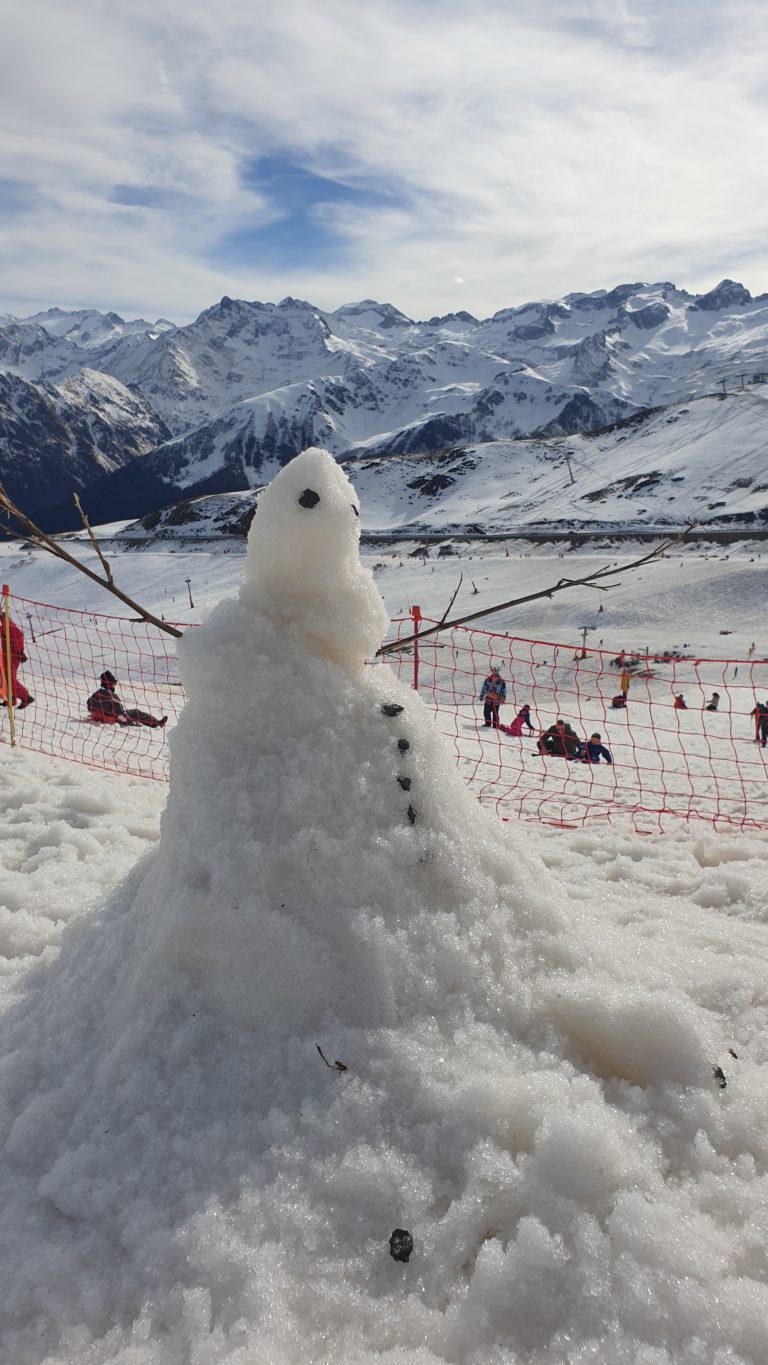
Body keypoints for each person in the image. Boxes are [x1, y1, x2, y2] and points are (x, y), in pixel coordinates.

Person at [87, 671, 167, 728]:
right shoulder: (112, 697)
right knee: (136, 712)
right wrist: (132, 723)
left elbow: (89, 705)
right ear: (110, 685)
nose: (115, 686)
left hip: (103, 716)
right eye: (114, 684)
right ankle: (157, 724)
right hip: (115, 718)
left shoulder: (95, 695)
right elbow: (121, 715)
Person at [0, 607, 33, 709]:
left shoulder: (6, 623)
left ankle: (26, 697)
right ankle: (11, 699)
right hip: (6, 654)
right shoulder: (3, 623)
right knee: (5, 677)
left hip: (12, 655)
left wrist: (19, 652)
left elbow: (19, 634)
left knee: (10, 677)